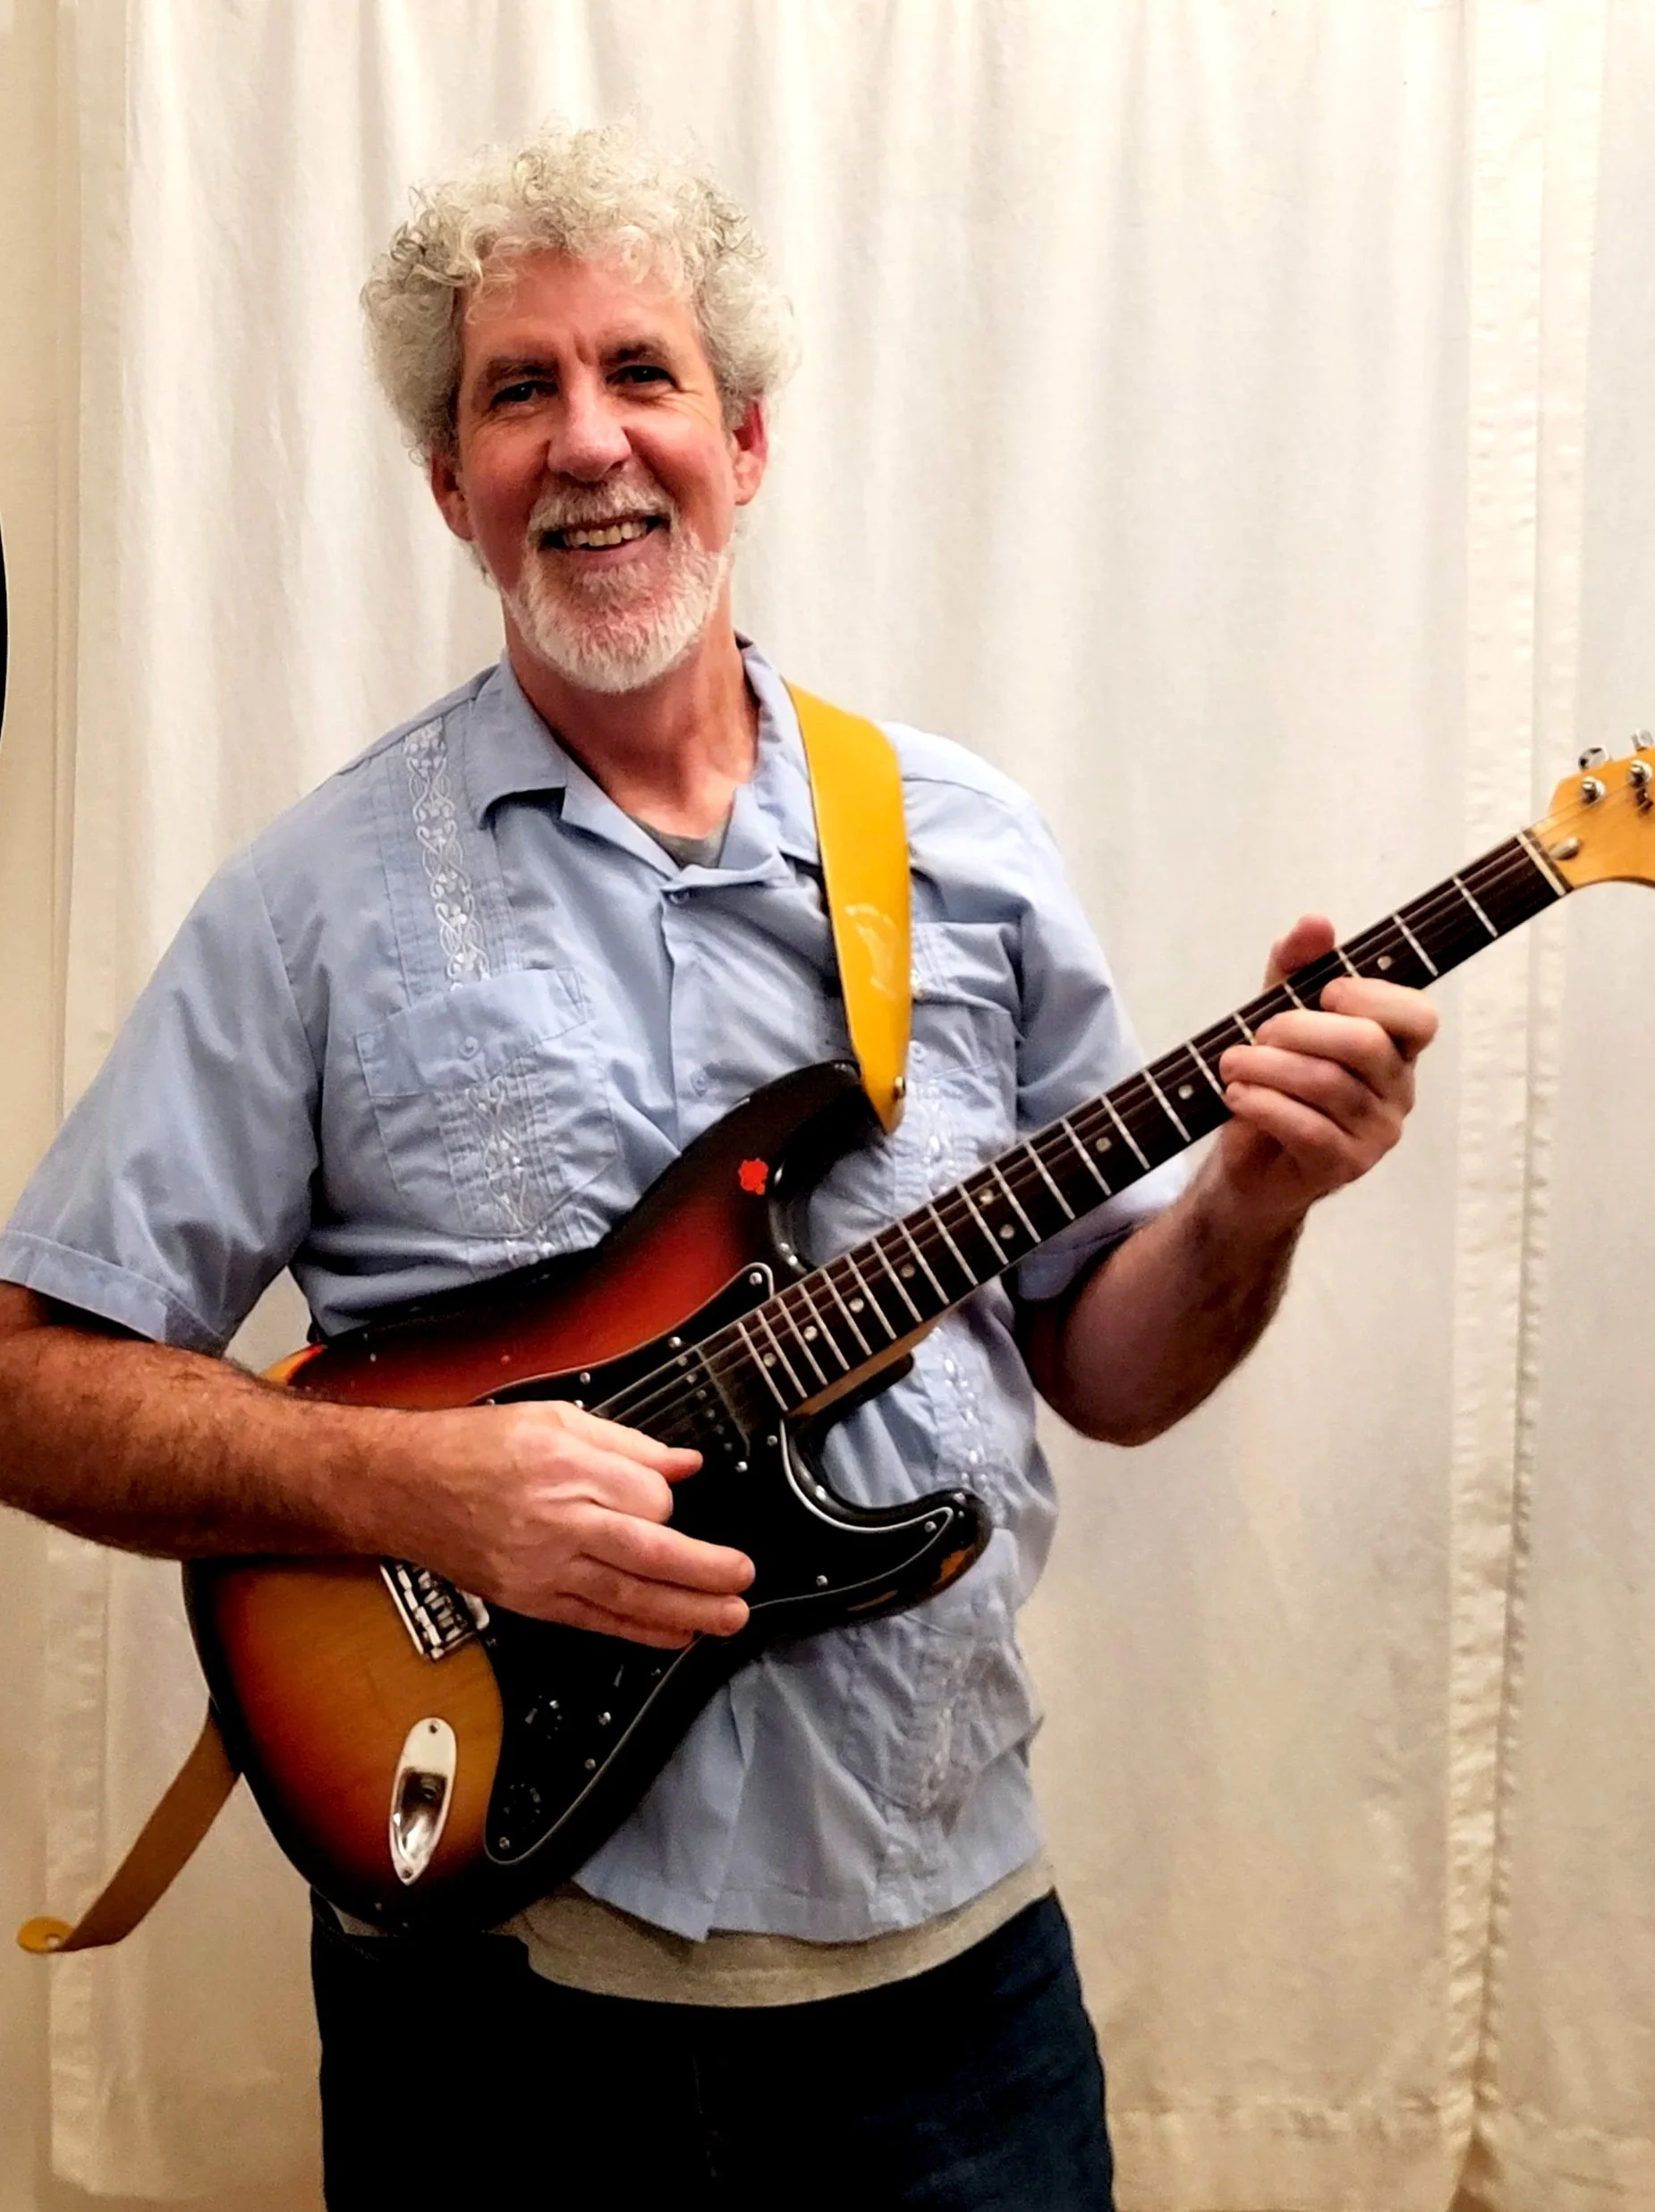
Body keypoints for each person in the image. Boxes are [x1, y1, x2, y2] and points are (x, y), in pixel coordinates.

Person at [0, 123, 1438, 2210]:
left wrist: (1253, 1200)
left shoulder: (964, 848)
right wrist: (414, 1491)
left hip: (952, 1992)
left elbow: (1107, 1370)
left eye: (641, 373)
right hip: (498, 2020)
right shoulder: (310, 907)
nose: (589, 441)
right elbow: (33, 1379)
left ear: (742, 443)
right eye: (519, 390)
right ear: (452, 486)